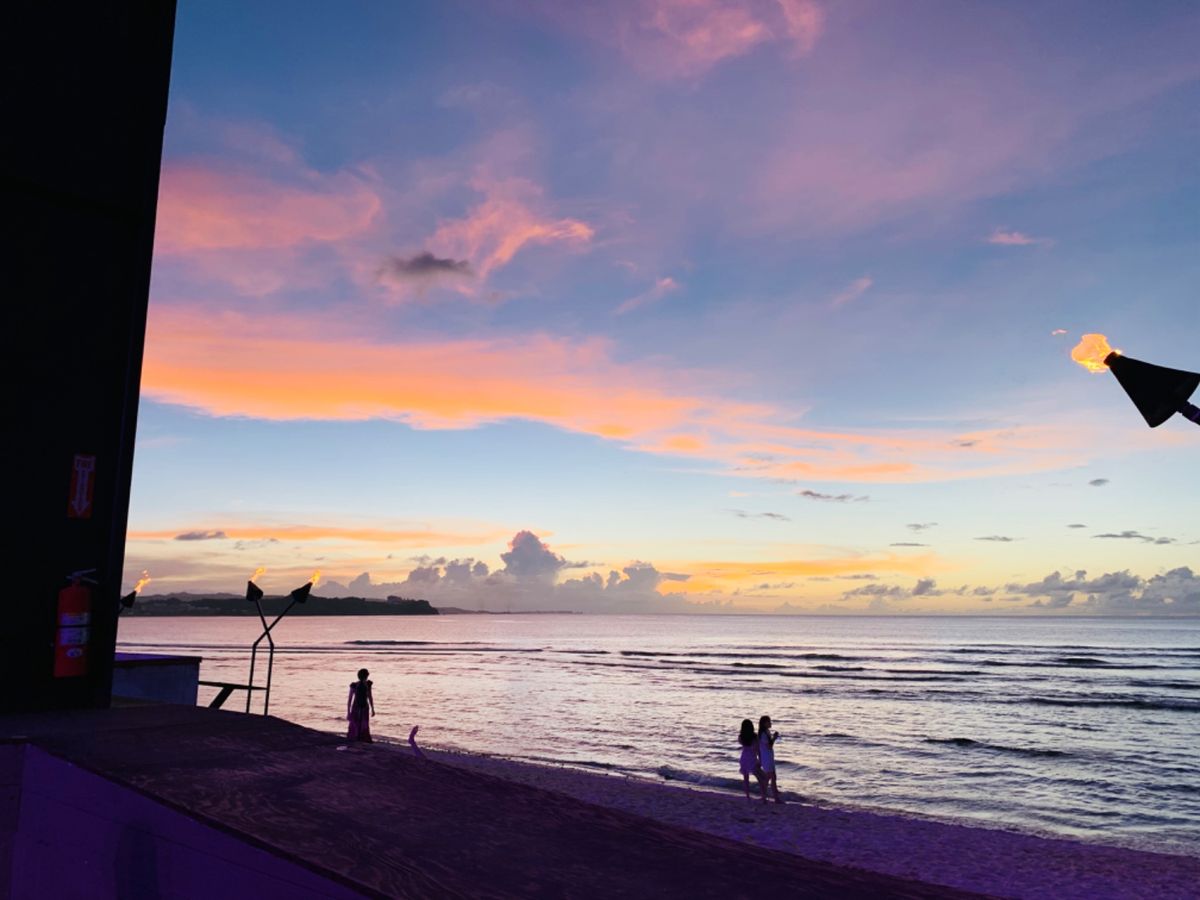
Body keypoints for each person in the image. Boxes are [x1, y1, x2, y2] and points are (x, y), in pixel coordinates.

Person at [737, 718, 764, 801]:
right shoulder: (755, 737)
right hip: (752, 758)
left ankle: (747, 796)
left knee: (746, 779)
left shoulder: (741, 737)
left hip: (744, 758)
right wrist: (761, 760)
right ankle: (763, 796)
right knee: (760, 778)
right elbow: (758, 749)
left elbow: (742, 744)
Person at [758, 715, 782, 803]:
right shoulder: (763, 734)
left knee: (772, 777)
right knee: (770, 777)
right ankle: (773, 798)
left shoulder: (766, 732)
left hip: (769, 757)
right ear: (764, 723)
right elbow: (769, 745)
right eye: (769, 721)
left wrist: (773, 738)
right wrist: (774, 738)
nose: (770, 723)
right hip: (766, 757)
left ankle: (767, 797)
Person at [346, 668, 375, 742]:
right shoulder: (355, 685)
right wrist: (348, 712)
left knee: (361, 723)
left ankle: (360, 738)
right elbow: (370, 697)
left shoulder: (366, 685)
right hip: (359, 707)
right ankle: (358, 738)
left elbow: (369, 697)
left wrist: (372, 709)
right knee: (358, 723)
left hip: (362, 707)